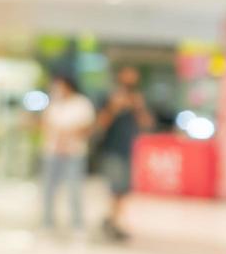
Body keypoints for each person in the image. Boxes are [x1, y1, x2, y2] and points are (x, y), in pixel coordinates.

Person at [96, 66, 153, 241]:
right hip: (113, 149)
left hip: (129, 149)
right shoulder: (110, 97)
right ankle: (114, 222)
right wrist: (114, 107)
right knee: (116, 188)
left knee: (124, 189)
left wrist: (138, 107)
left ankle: (113, 220)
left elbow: (147, 124)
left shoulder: (138, 98)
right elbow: (101, 123)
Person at [40, 75, 94, 233]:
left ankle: (77, 224)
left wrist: (68, 134)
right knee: (48, 188)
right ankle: (47, 222)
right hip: (52, 151)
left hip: (74, 152)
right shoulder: (53, 104)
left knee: (74, 188)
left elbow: (87, 127)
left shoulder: (81, 104)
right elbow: (45, 125)